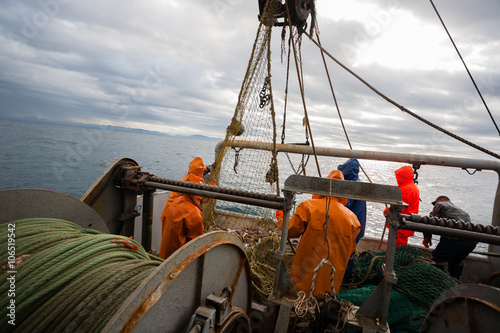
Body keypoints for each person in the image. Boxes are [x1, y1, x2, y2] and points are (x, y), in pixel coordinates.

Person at [276, 170, 361, 297]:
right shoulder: (353, 220)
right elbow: (350, 250)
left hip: (301, 287)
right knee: (321, 308)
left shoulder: (309, 207)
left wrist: (281, 216)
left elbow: (288, 231)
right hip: (330, 292)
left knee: (297, 305)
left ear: (322, 187)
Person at [158, 157, 207, 259]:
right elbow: (197, 243)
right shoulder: (193, 213)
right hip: (180, 215)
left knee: (170, 241)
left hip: (172, 213)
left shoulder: (188, 179)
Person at [423, 196, 477, 280]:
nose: (434, 206)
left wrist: (427, 237)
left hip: (454, 239)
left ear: (440, 200)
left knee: (436, 258)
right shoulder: (463, 212)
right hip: (471, 241)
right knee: (455, 261)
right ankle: (455, 282)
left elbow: (429, 221)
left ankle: (436, 283)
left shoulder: (440, 204)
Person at [337, 158, 367, 282]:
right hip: (358, 226)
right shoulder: (357, 183)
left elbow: (345, 204)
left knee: (346, 255)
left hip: (351, 229)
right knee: (348, 253)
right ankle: (344, 279)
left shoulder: (351, 186)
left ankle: (343, 281)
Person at [384, 165, 420, 247]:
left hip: (400, 226)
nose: (397, 179)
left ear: (403, 177)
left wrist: (387, 211)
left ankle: (393, 259)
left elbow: (399, 210)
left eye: (399, 176)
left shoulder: (406, 190)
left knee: (395, 249)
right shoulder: (411, 187)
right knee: (400, 246)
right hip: (406, 224)